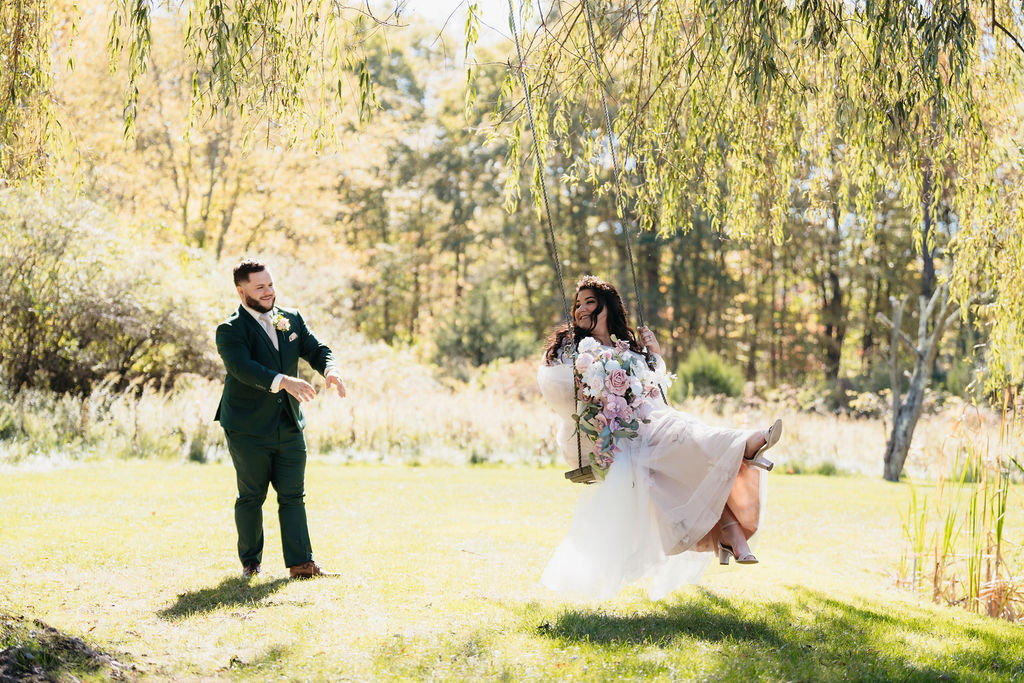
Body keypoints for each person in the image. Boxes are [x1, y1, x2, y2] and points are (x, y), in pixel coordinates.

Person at [537, 275, 781, 600]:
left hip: (650, 424)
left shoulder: (628, 349)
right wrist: (589, 382)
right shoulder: (576, 351)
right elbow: (556, 385)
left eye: (589, 302)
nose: (581, 309)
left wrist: (655, 353)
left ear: (608, 308)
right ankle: (744, 446)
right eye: (578, 304)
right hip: (617, 436)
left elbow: (656, 388)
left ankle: (732, 533)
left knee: (689, 443)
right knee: (686, 438)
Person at [215, 258, 346, 579]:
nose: (268, 292)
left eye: (270, 284)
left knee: (293, 495)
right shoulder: (230, 330)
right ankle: (251, 563)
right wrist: (284, 381)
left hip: (289, 422)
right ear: (241, 291)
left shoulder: (291, 318)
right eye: (259, 287)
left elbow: (316, 349)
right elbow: (242, 368)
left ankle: (301, 565)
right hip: (247, 426)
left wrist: (330, 369)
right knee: (251, 497)